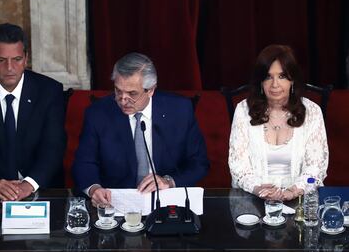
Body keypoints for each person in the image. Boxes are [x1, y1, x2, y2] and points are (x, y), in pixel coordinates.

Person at [72, 52, 209, 206]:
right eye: (118, 91)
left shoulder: (180, 110)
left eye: (132, 93)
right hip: (115, 202)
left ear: (150, 90)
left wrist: (170, 181)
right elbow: (84, 162)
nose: (123, 100)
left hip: (165, 199)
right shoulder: (98, 114)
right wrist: (94, 189)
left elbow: (199, 163)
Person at [0, 23, 66, 201]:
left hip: (39, 188)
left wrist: (28, 185)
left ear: (26, 58)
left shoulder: (49, 91)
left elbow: (53, 147)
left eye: (16, 59)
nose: (9, 68)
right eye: (1, 60)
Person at [229, 44, 328, 201]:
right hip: (253, 199)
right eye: (268, 77)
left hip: (300, 200)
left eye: (282, 76)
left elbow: (316, 167)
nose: (275, 85)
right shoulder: (243, 110)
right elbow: (238, 166)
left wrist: (294, 191)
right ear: (261, 82)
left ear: (292, 80)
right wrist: (258, 189)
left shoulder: (312, 111)